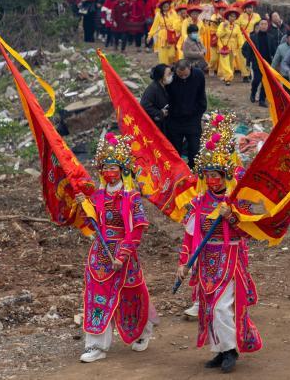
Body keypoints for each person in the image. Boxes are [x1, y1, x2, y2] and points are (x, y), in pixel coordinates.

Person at [177, 116, 262, 373]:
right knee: (207, 306)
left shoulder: (237, 198)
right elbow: (190, 235)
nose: (213, 179)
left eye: (217, 175)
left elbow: (248, 229)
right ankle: (218, 348)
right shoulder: (198, 203)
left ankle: (230, 349)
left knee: (222, 306)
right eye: (208, 175)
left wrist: (232, 216)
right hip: (205, 258)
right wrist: (183, 263)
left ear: (225, 175)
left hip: (230, 255)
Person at [75, 133, 155, 362]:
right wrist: (83, 204)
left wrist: (122, 254)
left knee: (132, 292)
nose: (109, 172)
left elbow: (137, 228)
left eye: (113, 167)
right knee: (95, 295)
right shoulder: (98, 195)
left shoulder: (132, 197)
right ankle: (96, 346)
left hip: (124, 253)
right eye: (105, 167)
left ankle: (142, 330)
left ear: (122, 169)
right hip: (100, 253)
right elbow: (92, 220)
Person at [166, 60, 207, 168]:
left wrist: (199, 112)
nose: (183, 77)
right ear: (176, 71)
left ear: (190, 68)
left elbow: (201, 94)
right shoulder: (171, 76)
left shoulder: (198, 75)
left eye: (185, 75)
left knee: (194, 149)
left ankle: (193, 170)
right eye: (180, 75)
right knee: (175, 149)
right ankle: (178, 172)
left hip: (193, 119)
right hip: (175, 120)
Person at [244, 18, 274, 108]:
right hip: (257, 63)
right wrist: (248, 61)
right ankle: (253, 93)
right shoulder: (253, 37)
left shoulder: (271, 37)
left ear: (267, 26)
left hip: (267, 63)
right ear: (259, 26)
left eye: (265, 24)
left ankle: (262, 99)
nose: (263, 26)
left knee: (265, 82)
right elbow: (247, 50)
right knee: (256, 80)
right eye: (262, 24)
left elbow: (274, 50)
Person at [216, 7, 245, 86]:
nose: (233, 18)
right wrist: (225, 28)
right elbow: (218, 34)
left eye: (234, 16)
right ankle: (228, 78)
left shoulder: (237, 26)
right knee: (225, 62)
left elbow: (239, 37)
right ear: (228, 16)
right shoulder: (222, 24)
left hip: (233, 47)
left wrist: (242, 45)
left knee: (231, 63)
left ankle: (228, 77)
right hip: (224, 46)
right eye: (231, 16)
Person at [140, 64, 172, 133]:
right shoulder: (152, 89)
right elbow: (144, 105)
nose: (171, 76)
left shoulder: (166, 86)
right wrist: (160, 113)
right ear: (161, 77)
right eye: (168, 74)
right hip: (155, 125)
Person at [147, 0, 180, 65]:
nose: (166, 7)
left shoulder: (173, 12)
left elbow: (177, 22)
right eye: (164, 6)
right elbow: (154, 26)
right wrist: (149, 36)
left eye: (167, 6)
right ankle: (164, 67)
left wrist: (175, 29)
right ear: (162, 7)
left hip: (171, 34)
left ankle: (170, 66)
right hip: (162, 36)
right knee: (162, 54)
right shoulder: (158, 14)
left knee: (171, 54)